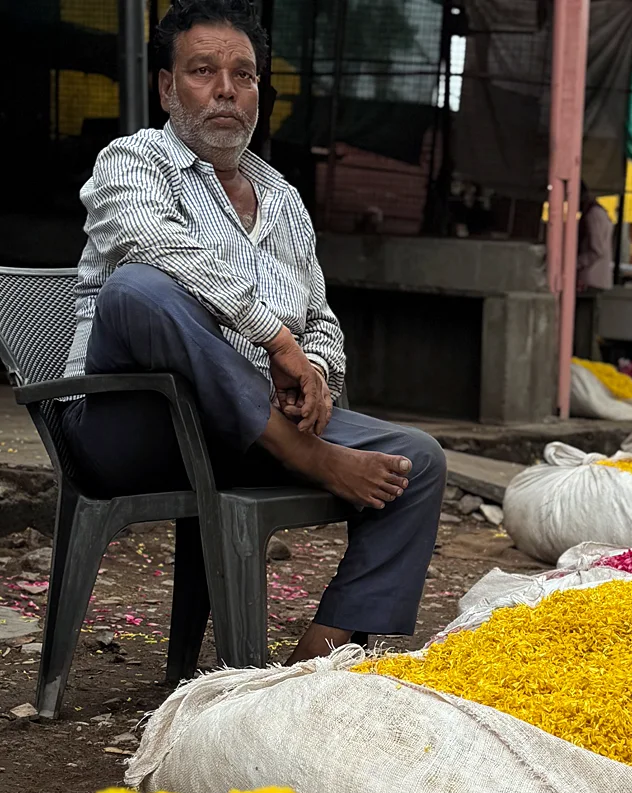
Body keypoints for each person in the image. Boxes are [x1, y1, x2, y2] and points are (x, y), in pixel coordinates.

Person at [63, 0, 445, 664]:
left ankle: (313, 661)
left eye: (244, 75)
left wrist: (317, 376)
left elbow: (321, 318)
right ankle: (302, 453)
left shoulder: (285, 201)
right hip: (129, 425)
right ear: (165, 86)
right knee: (140, 287)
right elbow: (158, 247)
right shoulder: (133, 161)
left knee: (420, 462)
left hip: (236, 429)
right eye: (203, 71)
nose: (226, 91)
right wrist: (276, 339)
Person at [576, 183, 614, 291]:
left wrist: (576, 263)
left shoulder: (593, 214)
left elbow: (597, 250)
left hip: (591, 278)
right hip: (594, 278)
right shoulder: (598, 212)